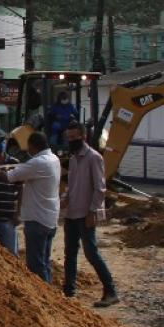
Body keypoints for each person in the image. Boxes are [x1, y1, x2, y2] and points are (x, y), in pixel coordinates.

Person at [60, 121, 119, 308]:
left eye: (74, 137)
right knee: (70, 253)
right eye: (68, 137)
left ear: (83, 137)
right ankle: (68, 292)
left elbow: (100, 188)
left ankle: (110, 291)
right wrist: (64, 199)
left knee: (91, 253)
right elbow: (71, 185)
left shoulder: (93, 158)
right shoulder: (73, 158)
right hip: (71, 213)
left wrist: (92, 212)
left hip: (86, 213)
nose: (71, 140)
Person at [0, 130, 61, 282]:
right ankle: (51, 298)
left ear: (33, 146)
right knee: (44, 261)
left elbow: (9, 177)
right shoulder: (54, 159)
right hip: (50, 218)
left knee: (35, 266)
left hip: (37, 219)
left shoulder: (37, 162)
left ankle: (44, 299)